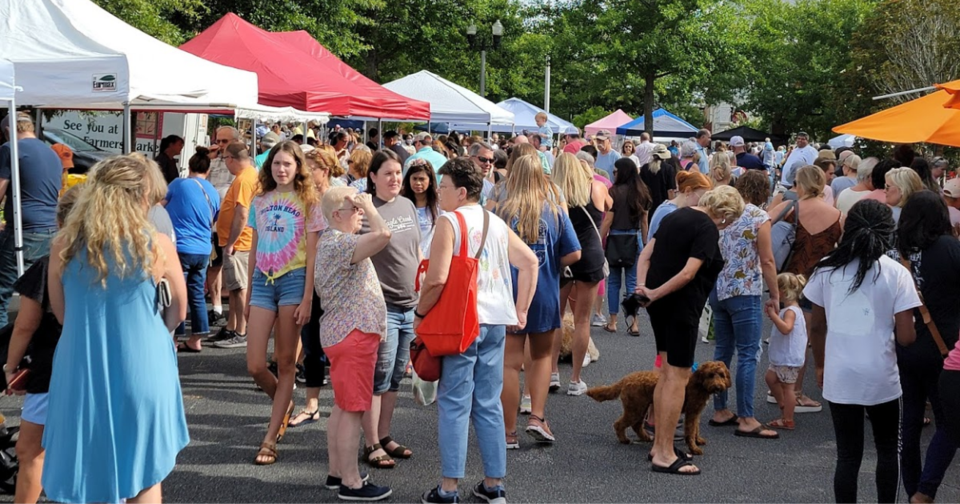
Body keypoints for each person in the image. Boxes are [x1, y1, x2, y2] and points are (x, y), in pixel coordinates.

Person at [44, 154, 189, 503]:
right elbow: (179, 312)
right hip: (145, 363)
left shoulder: (64, 244)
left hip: (82, 366)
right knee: (144, 473)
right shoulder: (156, 244)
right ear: (140, 195)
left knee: (88, 472)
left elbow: (62, 314)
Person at [416, 158, 538, 504]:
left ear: (461, 191)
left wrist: (420, 313)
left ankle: (449, 488)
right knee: (488, 402)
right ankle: (493, 483)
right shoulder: (494, 221)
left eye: (443, 187)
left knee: (454, 403)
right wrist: (521, 309)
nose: (439, 193)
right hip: (495, 320)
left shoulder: (449, 221)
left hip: (460, 322)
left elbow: (437, 279)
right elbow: (530, 261)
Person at [805, 199, 921, 503]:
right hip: (882, 375)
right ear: (888, 231)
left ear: (849, 226)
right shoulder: (896, 273)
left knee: (848, 456)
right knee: (887, 450)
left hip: (839, 374)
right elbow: (906, 336)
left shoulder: (827, 268)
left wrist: (820, 365)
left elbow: (817, 327)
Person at [636, 185, 744, 475]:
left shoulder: (675, 215)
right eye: (730, 220)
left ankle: (660, 446)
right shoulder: (707, 228)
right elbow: (688, 273)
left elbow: (645, 255)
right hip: (680, 308)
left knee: (665, 373)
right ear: (724, 214)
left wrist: (642, 289)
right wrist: (656, 293)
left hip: (660, 306)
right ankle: (665, 453)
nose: (727, 225)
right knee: (678, 376)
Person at [495, 154, 581, 449]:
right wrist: (552, 260)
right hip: (543, 290)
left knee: (509, 363)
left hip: (508, 293)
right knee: (543, 356)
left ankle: (508, 432)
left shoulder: (501, 212)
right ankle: (537, 417)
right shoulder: (555, 211)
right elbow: (574, 253)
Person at [245, 141, 323, 465]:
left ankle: (269, 437)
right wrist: (249, 293)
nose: (281, 169)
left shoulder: (309, 201)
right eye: (276, 163)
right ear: (269, 166)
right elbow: (254, 247)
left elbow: (314, 252)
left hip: (294, 282)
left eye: (287, 164)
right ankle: (284, 399)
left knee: (286, 361)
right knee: (255, 365)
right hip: (263, 281)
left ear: (297, 167)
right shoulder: (260, 200)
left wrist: (308, 297)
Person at [316, 187, 393, 501]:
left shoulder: (332, 242)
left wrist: (362, 206)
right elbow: (384, 234)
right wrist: (372, 208)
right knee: (352, 410)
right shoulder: (340, 242)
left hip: (344, 333)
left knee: (342, 407)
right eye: (356, 209)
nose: (361, 213)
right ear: (337, 215)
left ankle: (338, 473)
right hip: (353, 334)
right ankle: (351, 482)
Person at [3, 187, 79, 504]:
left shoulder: (52, 263)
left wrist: (10, 367)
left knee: (31, 451)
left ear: (61, 220)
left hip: (52, 366)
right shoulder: (119, 260)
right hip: (104, 366)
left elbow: (25, 324)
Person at [895, 191, 960, 503]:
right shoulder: (948, 247)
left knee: (909, 420)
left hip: (907, 341)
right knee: (948, 423)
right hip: (944, 346)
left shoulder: (900, 251)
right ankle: (925, 490)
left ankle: (912, 487)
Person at [708, 170, 779, 439]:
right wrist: (775, 295)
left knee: (722, 351)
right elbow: (767, 260)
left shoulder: (722, 215)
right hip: (745, 290)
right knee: (749, 353)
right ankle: (747, 416)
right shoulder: (759, 218)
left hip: (718, 288)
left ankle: (720, 409)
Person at [362, 149, 421, 469]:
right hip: (381, 304)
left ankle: (384, 435)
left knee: (397, 374)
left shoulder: (408, 205)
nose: (395, 179)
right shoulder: (366, 208)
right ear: (373, 177)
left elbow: (413, 250)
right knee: (378, 375)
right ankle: (370, 442)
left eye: (398, 173)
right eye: (388, 173)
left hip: (410, 303)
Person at [767, 165, 841, 413]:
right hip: (815, 282)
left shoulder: (789, 208)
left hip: (785, 278)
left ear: (801, 184)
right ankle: (794, 391)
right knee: (803, 338)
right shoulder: (836, 214)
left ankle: (777, 384)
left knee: (781, 332)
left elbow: (763, 229)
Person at [552, 152, 610, 395]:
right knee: (582, 319)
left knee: (556, 317)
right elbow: (610, 205)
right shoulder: (595, 187)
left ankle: (552, 372)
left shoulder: (553, 192)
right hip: (590, 254)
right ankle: (575, 379)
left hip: (563, 254)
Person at [0, 112, 62, 328]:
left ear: (9, 131)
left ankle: (2, 351)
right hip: (50, 230)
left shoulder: (10, 149)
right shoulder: (52, 153)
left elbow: (0, 188)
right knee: (37, 295)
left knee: (2, 292)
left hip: (23, 230)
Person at [163, 147, 221, 352]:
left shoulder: (178, 184)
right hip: (203, 249)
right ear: (208, 169)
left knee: (177, 292)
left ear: (189, 166)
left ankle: (176, 337)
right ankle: (197, 337)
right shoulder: (213, 192)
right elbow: (214, 219)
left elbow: (159, 204)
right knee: (196, 292)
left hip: (180, 246)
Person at [211, 142, 257, 349]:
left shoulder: (245, 179)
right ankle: (232, 326)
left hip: (239, 243)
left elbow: (242, 213)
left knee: (239, 288)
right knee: (235, 286)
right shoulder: (245, 177)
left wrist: (231, 242)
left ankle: (241, 330)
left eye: (225, 159)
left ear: (231, 159)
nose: (225, 164)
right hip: (237, 241)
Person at [599, 158, 650, 335]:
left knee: (613, 282)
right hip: (634, 238)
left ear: (622, 172)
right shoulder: (642, 192)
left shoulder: (613, 192)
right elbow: (644, 221)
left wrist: (599, 239)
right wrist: (645, 244)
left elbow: (608, 220)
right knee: (632, 283)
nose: (614, 174)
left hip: (615, 239)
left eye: (616, 171)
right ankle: (634, 323)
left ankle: (613, 322)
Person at [763, 273, 807, 431]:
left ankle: (788, 418)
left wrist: (774, 316)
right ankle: (784, 405)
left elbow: (786, 328)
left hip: (788, 357)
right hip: (782, 356)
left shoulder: (790, 311)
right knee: (770, 378)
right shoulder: (790, 309)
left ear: (781, 291)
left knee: (789, 387)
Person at [648, 171, 713, 240]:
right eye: (701, 199)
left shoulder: (667, 208)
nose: (702, 205)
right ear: (688, 191)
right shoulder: (669, 213)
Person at [401, 158, 440, 255]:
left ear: (430, 181)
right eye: (414, 179)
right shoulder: (402, 203)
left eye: (422, 179)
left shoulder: (438, 204)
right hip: (408, 256)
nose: (418, 183)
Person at [639, 144, 676, 220]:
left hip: (647, 203)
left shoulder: (645, 168)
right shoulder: (669, 168)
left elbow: (640, 186)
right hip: (663, 204)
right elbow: (670, 190)